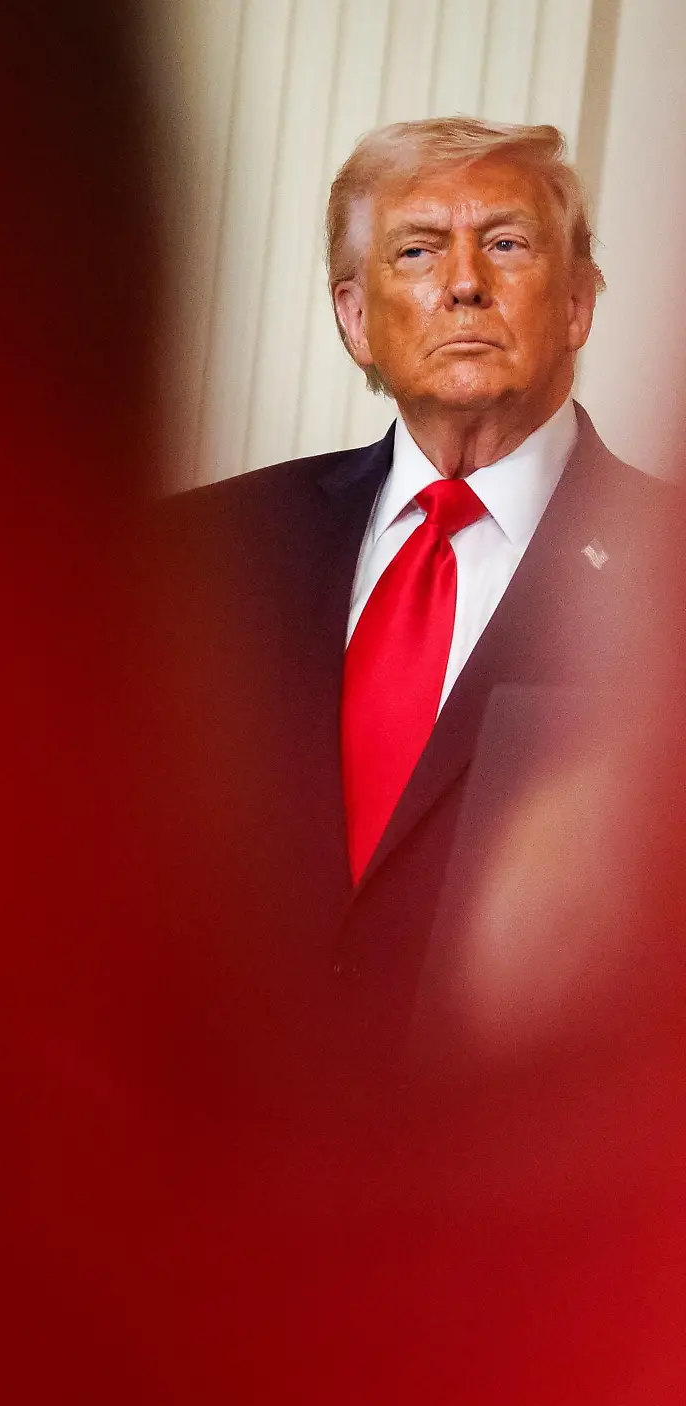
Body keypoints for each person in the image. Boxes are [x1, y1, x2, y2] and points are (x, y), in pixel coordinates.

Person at [157, 116, 682, 1072]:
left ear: (578, 303)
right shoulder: (203, 553)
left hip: (525, 1186)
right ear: (356, 319)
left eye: (508, 243)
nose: (465, 282)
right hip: (217, 1162)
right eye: (417, 250)